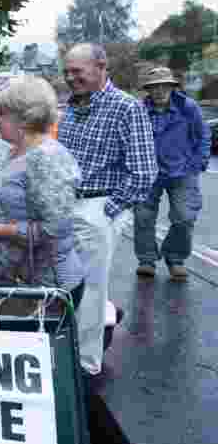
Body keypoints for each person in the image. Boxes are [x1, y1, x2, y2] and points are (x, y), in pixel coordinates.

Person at [0, 76, 144, 444]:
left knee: (59, 371)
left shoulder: (48, 157)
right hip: (24, 283)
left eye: (2, 113)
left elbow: (55, 228)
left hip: (50, 286)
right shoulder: (18, 153)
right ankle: (46, 443)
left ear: (25, 117)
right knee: (35, 367)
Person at [57, 44, 157, 377]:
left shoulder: (127, 108)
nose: (70, 78)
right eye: (67, 71)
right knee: (67, 284)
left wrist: (107, 210)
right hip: (66, 204)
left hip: (99, 205)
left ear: (101, 67)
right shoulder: (69, 109)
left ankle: (84, 367)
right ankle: (68, 349)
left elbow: (144, 171)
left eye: (77, 71)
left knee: (89, 291)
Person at [133, 66, 210, 282]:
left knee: (185, 217)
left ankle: (175, 258)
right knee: (143, 217)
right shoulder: (139, 109)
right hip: (148, 172)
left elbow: (203, 135)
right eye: (154, 87)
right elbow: (129, 140)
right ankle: (146, 260)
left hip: (183, 171)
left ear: (171, 87)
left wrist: (198, 163)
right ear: (148, 90)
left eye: (163, 86)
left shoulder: (188, 107)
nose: (159, 91)